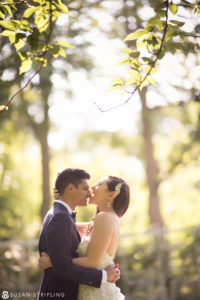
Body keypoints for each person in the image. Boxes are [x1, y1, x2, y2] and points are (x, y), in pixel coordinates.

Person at [39, 173, 130, 300]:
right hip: (90, 289)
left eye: (99, 185)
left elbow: (92, 262)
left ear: (111, 195)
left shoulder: (104, 218)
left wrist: (53, 262)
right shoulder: (99, 220)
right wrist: (61, 195)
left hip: (96, 292)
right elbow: (67, 226)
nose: (92, 188)